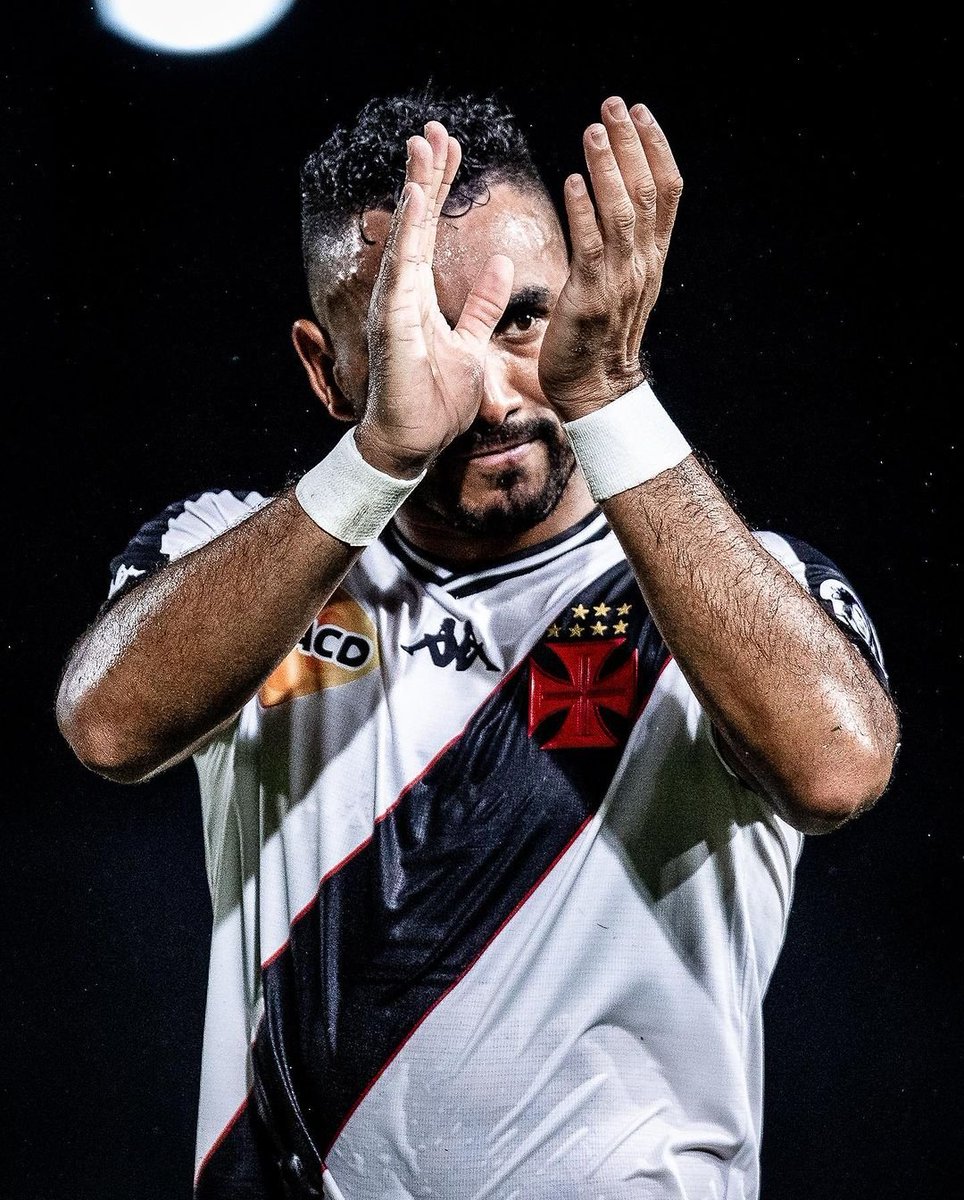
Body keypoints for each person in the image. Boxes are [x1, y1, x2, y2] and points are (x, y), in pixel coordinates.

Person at [56, 83, 900, 1200]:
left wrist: (608, 393)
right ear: (324, 367)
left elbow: (838, 769)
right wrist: (377, 458)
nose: (491, 394)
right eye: (414, 334)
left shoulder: (728, 594)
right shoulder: (234, 558)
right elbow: (107, 726)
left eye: (521, 321)